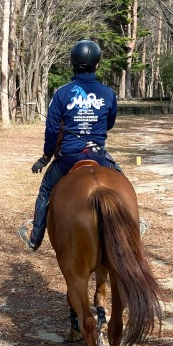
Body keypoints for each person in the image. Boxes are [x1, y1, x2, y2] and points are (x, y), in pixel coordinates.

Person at [18, 39, 122, 250]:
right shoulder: (108, 93)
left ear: (72, 63)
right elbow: (109, 124)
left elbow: (52, 131)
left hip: (69, 158)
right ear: (97, 64)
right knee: (122, 181)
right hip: (99, 156)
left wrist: (46, 157)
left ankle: (35, 237)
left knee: (46, 189)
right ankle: (133, 227)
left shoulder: (62, 93)